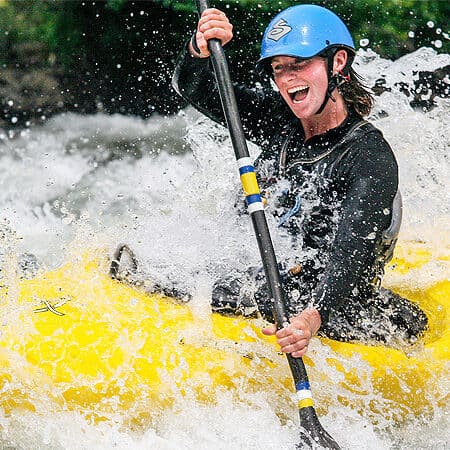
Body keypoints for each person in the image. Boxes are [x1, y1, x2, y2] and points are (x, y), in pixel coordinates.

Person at [172, 4, 428, 357]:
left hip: (334, 300)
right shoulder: (280, 121)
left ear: (337, 63)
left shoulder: (369, 157)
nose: (288, 78)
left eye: (300, 64)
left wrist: (312, 318)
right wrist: (198, 50)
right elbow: (195, 89)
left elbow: (349, 256)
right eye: (279, 69)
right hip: (271, 277)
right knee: (195, 271)